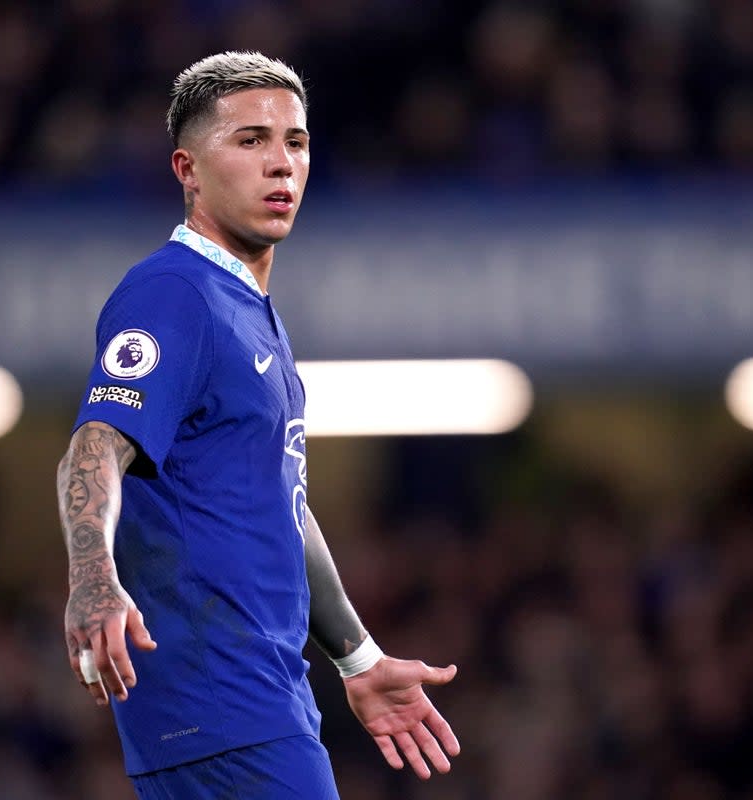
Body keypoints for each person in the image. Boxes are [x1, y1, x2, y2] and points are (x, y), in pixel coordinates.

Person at [56, 50, 460, 798]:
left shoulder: (249, 314)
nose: (281, 164)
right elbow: (96, 443)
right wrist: (93, 577)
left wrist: (358, 657)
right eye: (249, 141)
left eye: (295, 142)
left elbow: (283, 507)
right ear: (188, 169)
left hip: (254, 704)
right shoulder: (176, 293)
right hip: (225, 704)